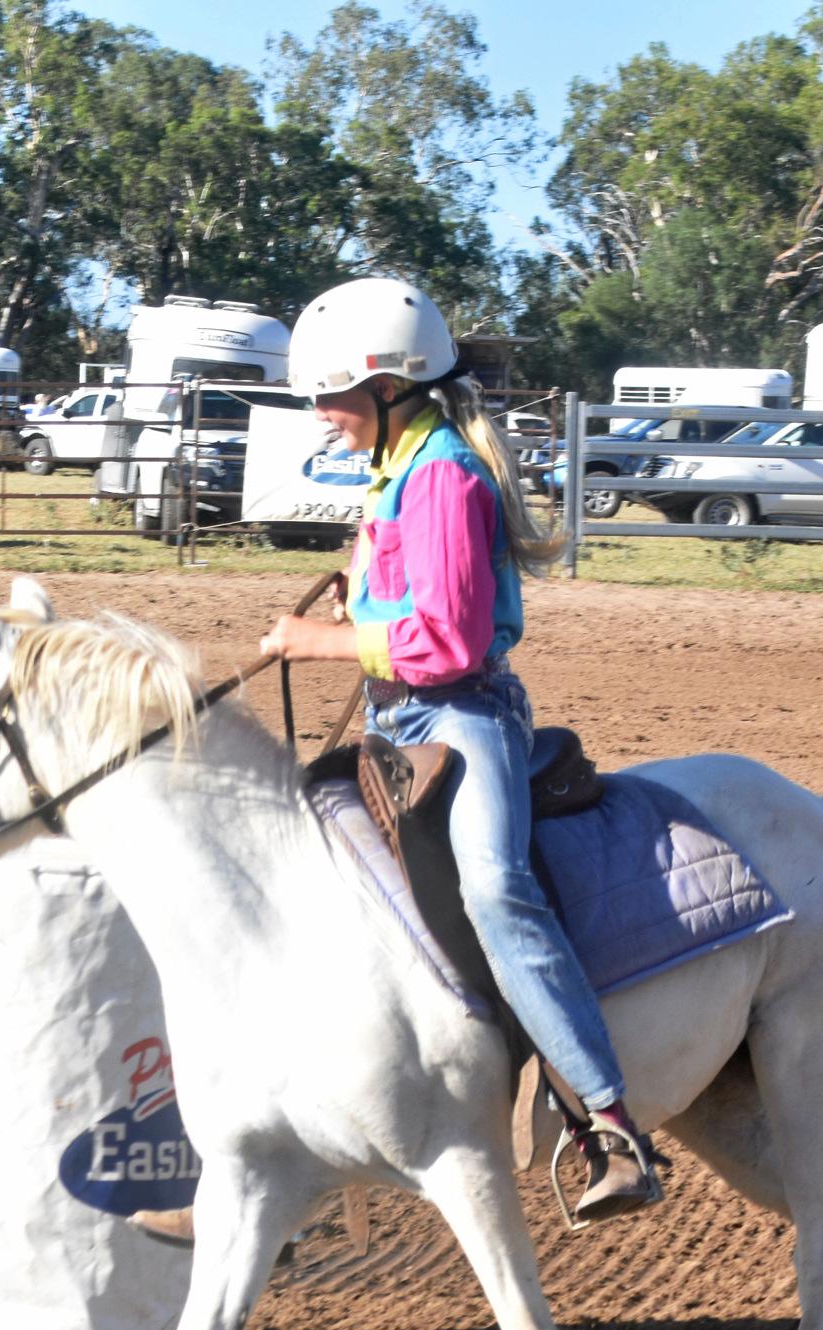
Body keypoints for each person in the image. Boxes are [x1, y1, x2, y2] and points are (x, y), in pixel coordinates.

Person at [259, 277, 665, 1222]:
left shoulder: (440, 474)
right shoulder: (398, 469)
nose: (320, 415)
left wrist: (312, 640)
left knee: (495, 889)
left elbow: (448, 639)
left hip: (461, 716)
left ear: (389, 386)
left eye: (331, 394)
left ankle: (607, 1122)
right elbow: (401, 613)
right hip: (397, 717)